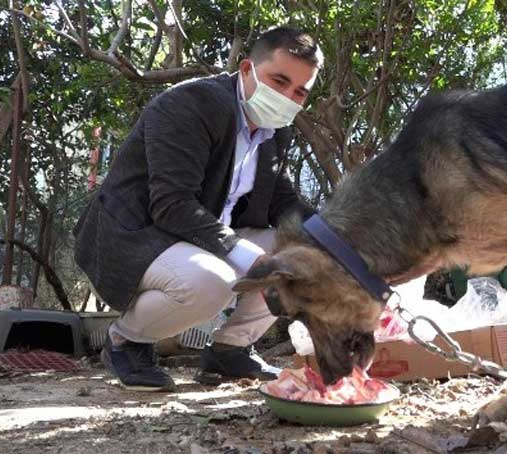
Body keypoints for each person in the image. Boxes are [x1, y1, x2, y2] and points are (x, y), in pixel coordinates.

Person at [73, 27, 322, 391]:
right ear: (246, 69)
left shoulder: (275, 129)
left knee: (305, 250)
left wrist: (335, 241)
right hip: (136, 234)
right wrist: (251, 259)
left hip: (200, 236)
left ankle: (230, 351)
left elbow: (281, 201)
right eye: (279, 80)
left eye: (300, 91)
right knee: (213, 283)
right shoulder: (190, 105)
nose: (287, 97)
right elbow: (172, 204)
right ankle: (125, 341)